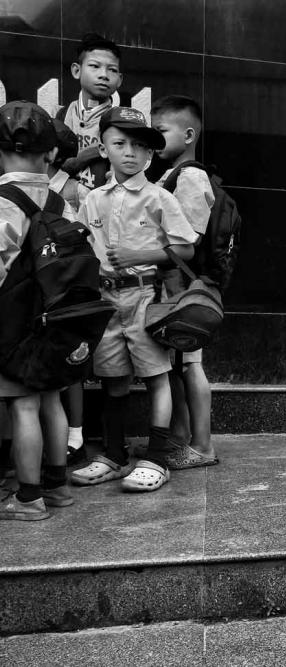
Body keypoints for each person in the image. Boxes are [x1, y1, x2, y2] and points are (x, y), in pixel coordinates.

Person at [69, 106, 196, 493]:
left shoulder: (158, 197)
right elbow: (85, 248)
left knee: (157, 377)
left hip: (145, 296)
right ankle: (114, 455)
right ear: (103, 148)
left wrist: (140, 257)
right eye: (120, 143)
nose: (130, 153)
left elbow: (185, 249)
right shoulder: (94, 200)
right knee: (113, 380)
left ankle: (156, 459)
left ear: (150, 154)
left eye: (140, 146)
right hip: (107, 302)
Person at [0, 101, 73, 520]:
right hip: (56, 319)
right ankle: (58, 485)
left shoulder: (5, 200)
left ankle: (28, 498)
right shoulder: (61, 201)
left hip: (15, 322)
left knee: (22, 406)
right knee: (52, 400)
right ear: (48, 152)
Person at [150, 95, 218, 469]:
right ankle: (179, 437)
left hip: (183, 291)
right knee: (176, 365)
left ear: (188, 134)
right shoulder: (171, 175)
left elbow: (188, 241)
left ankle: (203, 446)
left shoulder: (191, 176)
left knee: (190, 364)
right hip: (171, 289)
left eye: (161, 131)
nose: (154, 139)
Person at [46, 118, 90, 465]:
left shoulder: (74, 191)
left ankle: (76, 432)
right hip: (41, 286)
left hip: (67, 285)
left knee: (72, 362)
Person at [62, 33, 122, 191]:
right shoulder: (62, 115)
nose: (104, 75)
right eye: (95, 66)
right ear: (76, 71)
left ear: (120, 80)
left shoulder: (119, 122)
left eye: (112, 70)